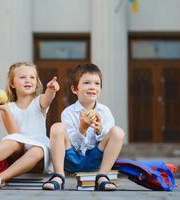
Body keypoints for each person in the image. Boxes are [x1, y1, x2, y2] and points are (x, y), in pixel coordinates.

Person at [42, 63, 125, 191]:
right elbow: (71, 143)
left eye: (96, 84)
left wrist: (99, 130)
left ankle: (102, 176)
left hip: (96, 159)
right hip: (72, 159)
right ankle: (58, 175)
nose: (92, 87)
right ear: (75, 89)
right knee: (57, 127)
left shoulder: (105, 111)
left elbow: (109, 141)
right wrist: (82, 128)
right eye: (86, 83)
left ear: (100, 88)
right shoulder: (68, 112)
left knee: (118, 132)